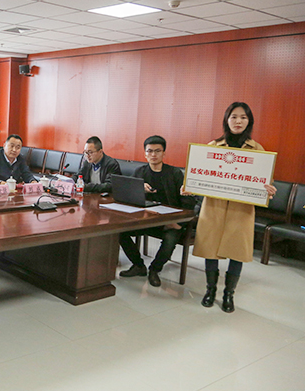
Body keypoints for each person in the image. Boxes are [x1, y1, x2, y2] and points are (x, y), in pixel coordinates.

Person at [189, 102, 276, 313]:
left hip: (241, 210)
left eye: (243, 117)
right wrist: (190, 184)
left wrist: (268, 190)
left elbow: (264, 181)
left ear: (249, 121)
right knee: (210, 249)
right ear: (226, 120)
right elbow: (200, 174)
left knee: (237, 251)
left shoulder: (258, 150)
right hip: (214, 207)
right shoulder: (213, 146)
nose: (238, 121)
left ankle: (229, 294)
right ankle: (210, 290)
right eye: (234, 116)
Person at [118, 136, 198, 286]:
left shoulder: (174, 173)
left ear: (164, 153)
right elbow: (128, 196)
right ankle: (138, 265)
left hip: (170, 222)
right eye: (150, 151)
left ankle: (155, 269)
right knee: (119, 232)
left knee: (170, 239)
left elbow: (188, 202)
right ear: (145, 154)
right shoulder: (140, 172)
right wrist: (139, 189)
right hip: (145, 221)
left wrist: (179, 223)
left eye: (157, 151)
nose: (153, 154)